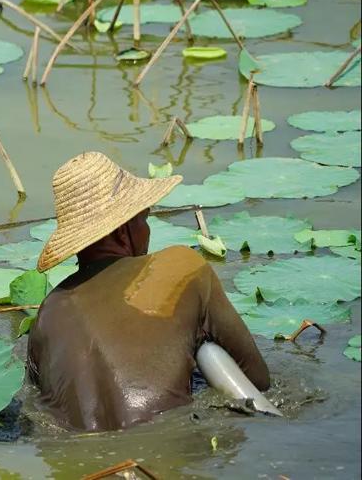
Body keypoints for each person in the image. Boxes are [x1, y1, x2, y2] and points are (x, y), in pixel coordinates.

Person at [27, 152, 270, 432]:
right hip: (163, 453)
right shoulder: (181, 266)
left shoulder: (47, 314)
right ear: (122, 231)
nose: (147, 230)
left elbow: (39, 404)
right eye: (144, 218)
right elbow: (259, 378)